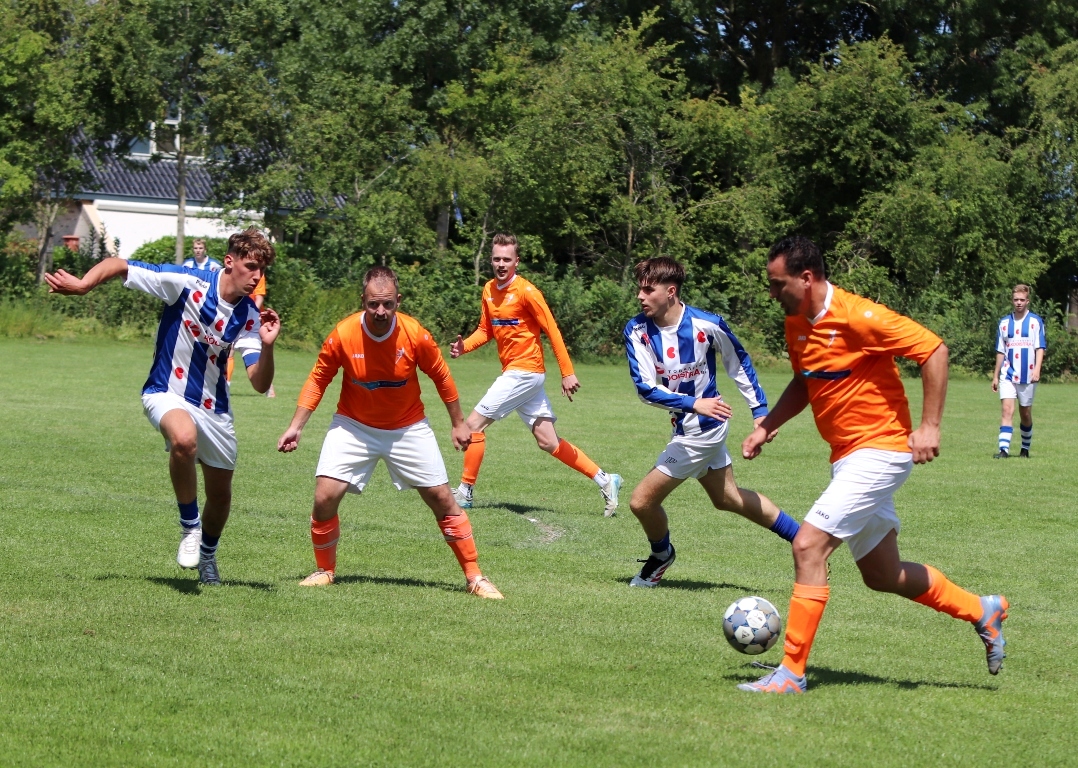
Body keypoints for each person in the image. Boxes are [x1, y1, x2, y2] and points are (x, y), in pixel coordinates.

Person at [737, 236, 1008, 694]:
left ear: (806, 278)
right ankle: (983, 610)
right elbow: (805, 381)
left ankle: (791, 674)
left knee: (808, 546)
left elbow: (934, 350)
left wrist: (930, 426)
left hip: (880, 451)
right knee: (883, 574)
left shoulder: (860, 316)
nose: (772, 293)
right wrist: (766, 426)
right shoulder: (796, 322)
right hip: (847, 457)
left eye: (778, 284)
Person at [44, 228, 280, 585]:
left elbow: (259, 383)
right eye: (251, 267)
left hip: (214, 409)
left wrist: (268, 346)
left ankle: (208, 556)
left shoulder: (248, 315)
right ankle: (189, 526)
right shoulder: (186, 282)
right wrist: (84, 285)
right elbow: (120, 264)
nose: (257, 276)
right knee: (183, 439)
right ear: (229, 261)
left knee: (220, 496)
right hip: (165, 391)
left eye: (262, 270)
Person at [277, 266, 503, 599]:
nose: (380, 311)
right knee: (324, 497)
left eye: (387, 304)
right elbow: (318, 378)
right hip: (353, 425)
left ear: (398, 300)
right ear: (363, 301)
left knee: (443, 499)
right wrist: (296, 427)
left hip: (408, 427)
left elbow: (441, 376)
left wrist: (458, 423)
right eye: (373, 304)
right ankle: (325, 571)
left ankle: (475, 578)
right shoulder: (343, 334)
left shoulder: (415, 335)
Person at [622, 257, 800, 587]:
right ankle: (804, 539)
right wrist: (693, 403)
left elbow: (739, 363)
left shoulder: (707, 324)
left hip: (702, 432)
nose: (640, 296)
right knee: (727, 498)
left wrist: (760, 411)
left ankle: (661, 555)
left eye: (648, 290)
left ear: (670, 291)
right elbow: (646, 389)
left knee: (641, 502)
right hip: (688, 423)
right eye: (640, 289)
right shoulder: (637, 330)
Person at [449, 233, 621, 516]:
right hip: (519, 374)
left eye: (506, 259)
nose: (501, 264)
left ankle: (465, 492)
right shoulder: (489, 289)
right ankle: (606, 480)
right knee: (548, 441)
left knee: (473, 425)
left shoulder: (528, 292)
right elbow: (485, 329)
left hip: (524, 372)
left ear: (516, 261)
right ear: (491, 260)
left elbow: (552, 330)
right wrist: (463, 346)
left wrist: (567, 372)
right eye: (496, 259)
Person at [992, 284, 1045, 458]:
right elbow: (1001, 351)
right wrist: (995, 375)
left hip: (1028, 375)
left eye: (1022, 300)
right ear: (1012, 301)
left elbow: (1040, 347)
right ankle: (1003, 450)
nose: (1019, 303)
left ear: (1027, 301)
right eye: (1016, 300)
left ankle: (1025, 448)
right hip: (1007, 374)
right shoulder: (1004, 323)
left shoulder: (1035, 322)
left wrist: (1037, 369)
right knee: (1007, 410)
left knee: (1025, 413)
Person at [226, 274, 276, 397]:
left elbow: (259, 298)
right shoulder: (235, 273)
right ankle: (226, 385)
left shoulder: (258, 276)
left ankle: (268, 386)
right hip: (235, 317)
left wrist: (250, 313)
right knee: (229, 351)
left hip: (253, 320)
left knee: (258, 357)